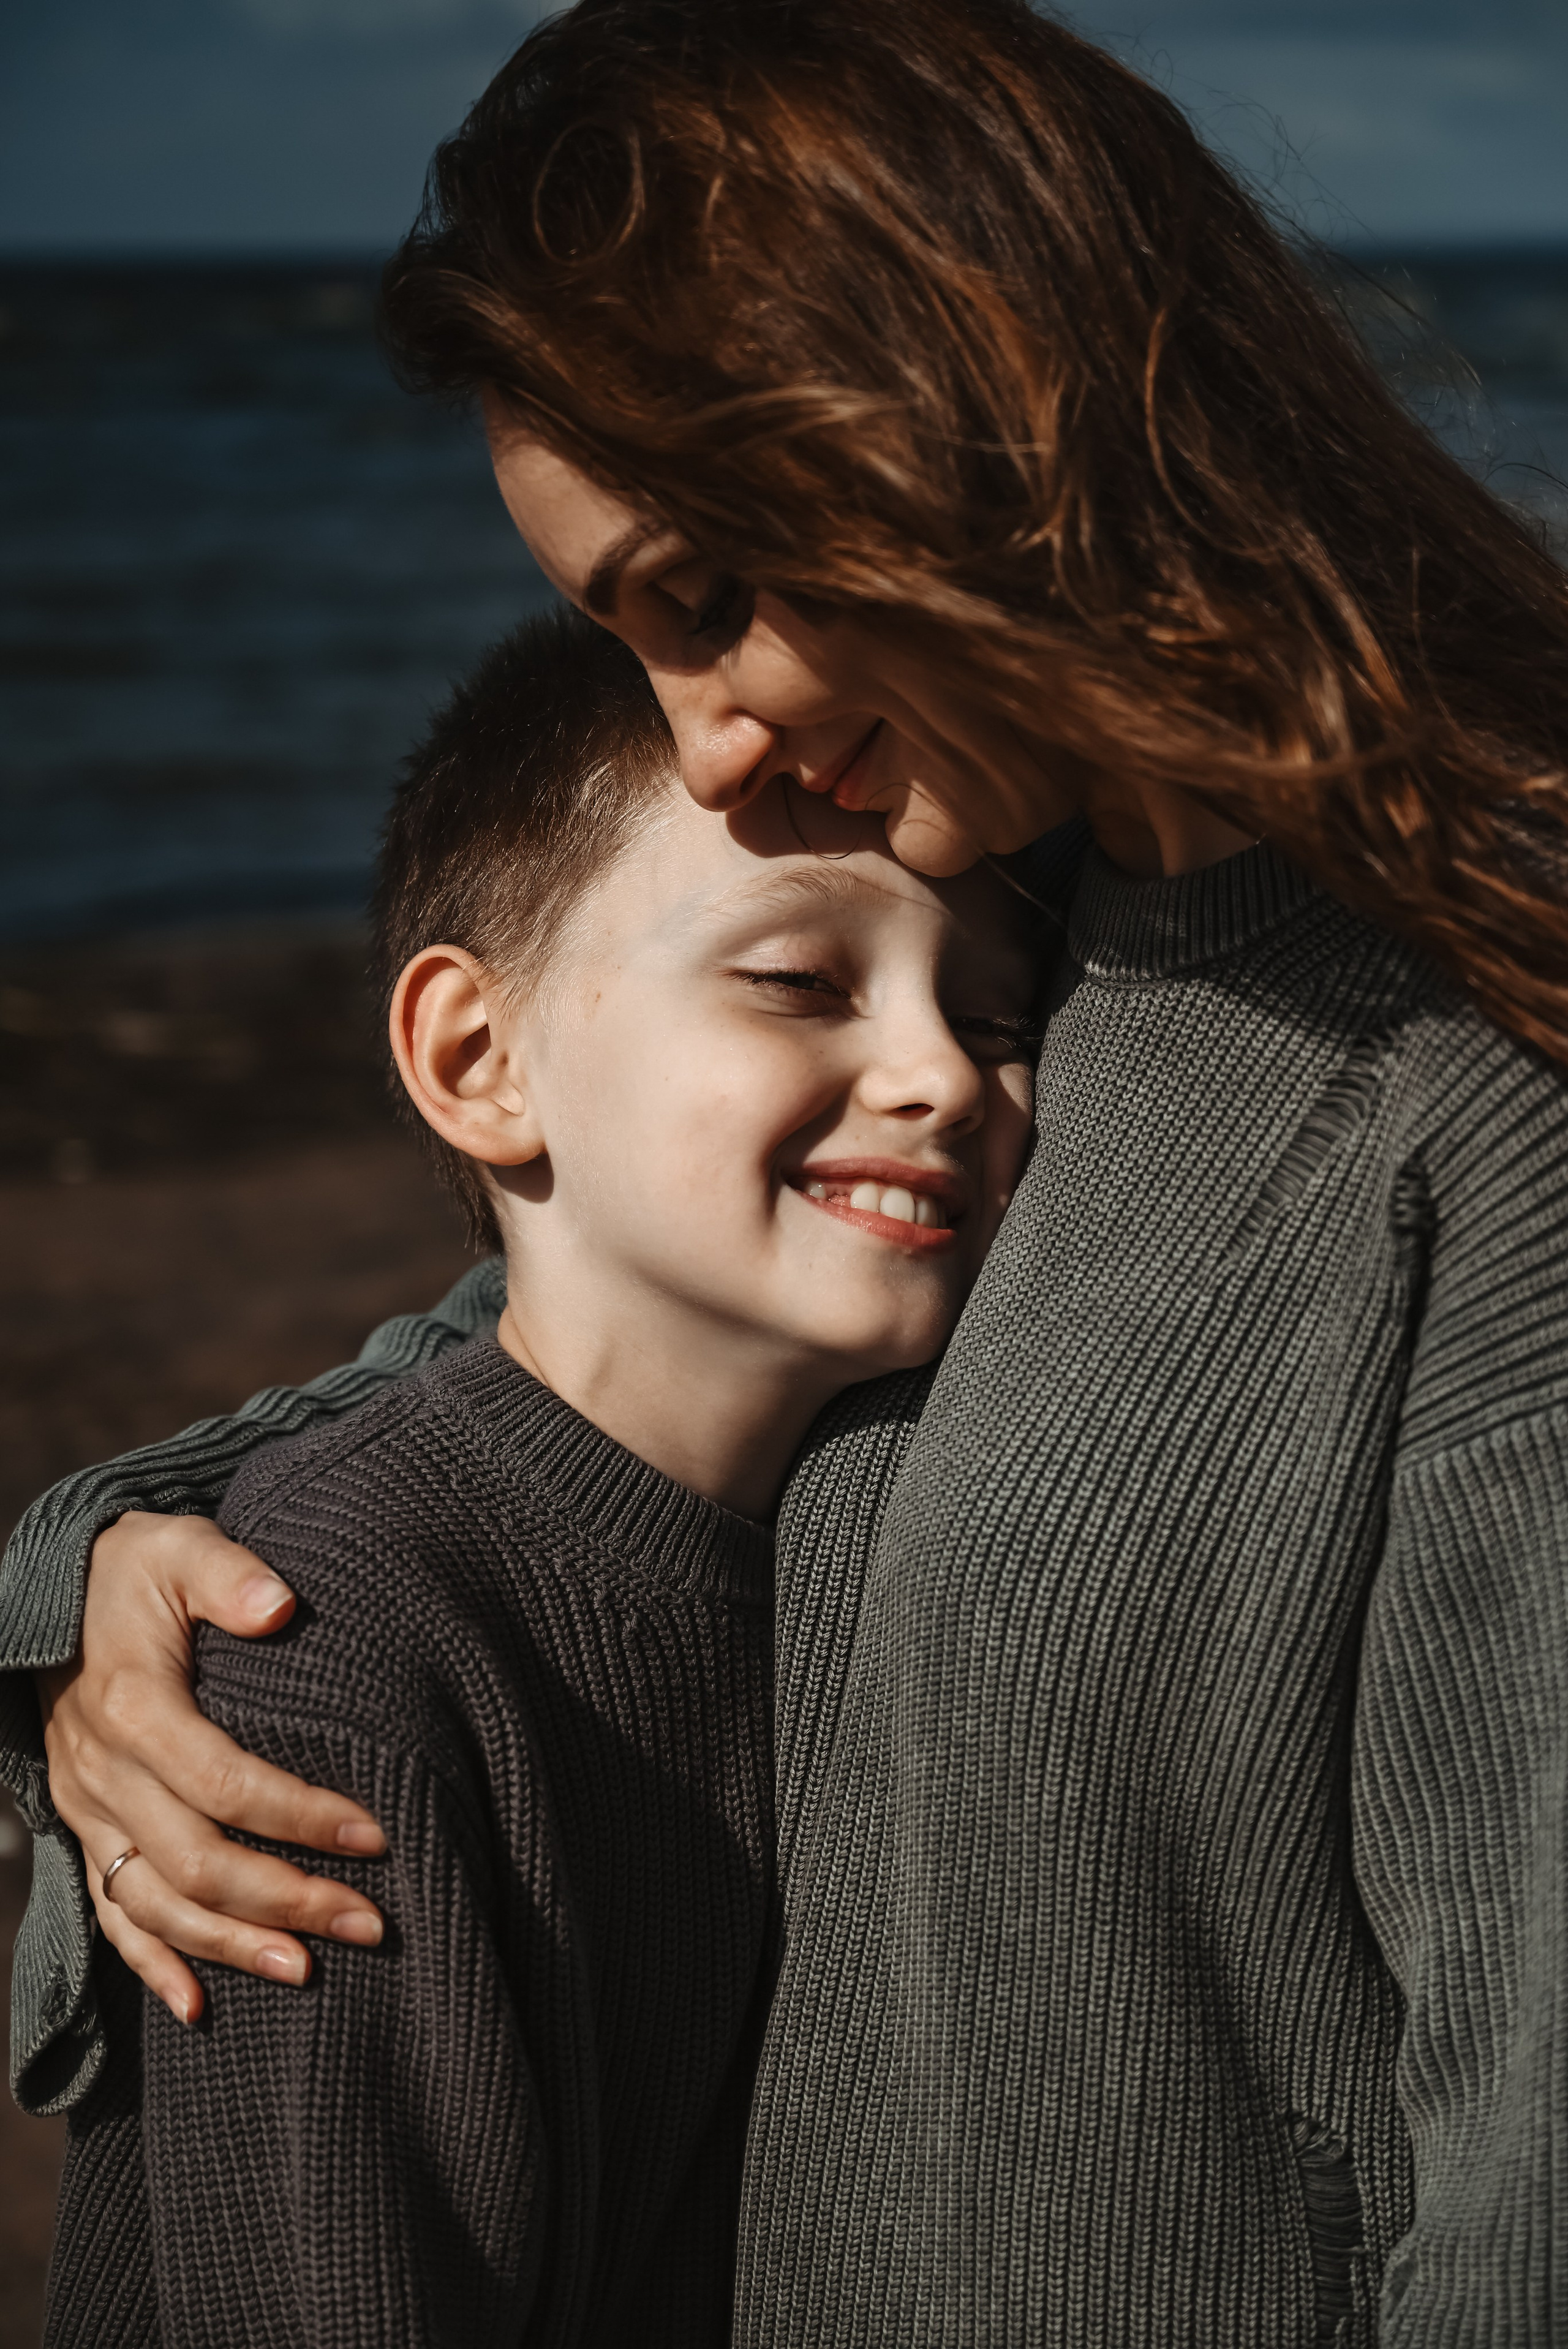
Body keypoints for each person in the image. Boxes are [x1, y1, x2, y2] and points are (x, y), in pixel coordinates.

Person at [6, 0, 1567, 2339]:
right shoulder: (1050, 941)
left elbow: (1527, 2171)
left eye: (705, 592)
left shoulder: (1483, 1088)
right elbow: (562, 1349)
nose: (709, 741)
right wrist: (103, 1574)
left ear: (951, 427)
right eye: (633, 634)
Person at [38, 603, 1040, 2347]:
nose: (942, 1071)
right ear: (477, 1059)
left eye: (1000, 1013)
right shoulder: (322, 1668)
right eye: (801, 979)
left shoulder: (884, 1506)